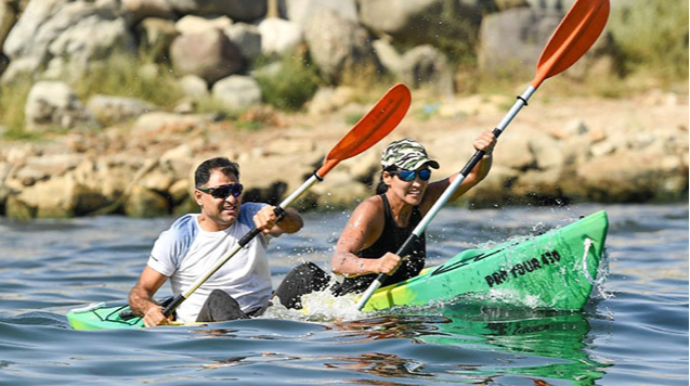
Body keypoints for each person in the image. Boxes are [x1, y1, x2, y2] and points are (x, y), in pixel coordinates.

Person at [271, 131, 497, 308]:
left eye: (424, 174)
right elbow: (338, 262)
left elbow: (474, 175)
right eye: (408, 174)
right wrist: (377, 264)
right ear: (387, 177)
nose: (417, 182)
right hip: (351, 311)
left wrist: (485, 152)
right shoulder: (372, 210)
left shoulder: (425, 200)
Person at [129, 157, 303, 327]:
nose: (231, 200)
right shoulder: (179, 236)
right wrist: (150, 309)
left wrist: (279, 215)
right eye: (220, 193)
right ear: (199, 197)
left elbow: (295, 224)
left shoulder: (252, 215)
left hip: (260, 317)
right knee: (219, 299)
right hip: (207, 327)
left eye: (236, 190)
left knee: (306, 273)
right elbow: (140, 293)